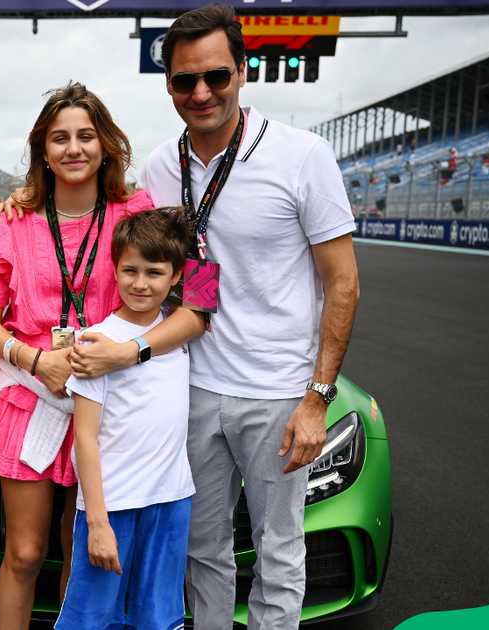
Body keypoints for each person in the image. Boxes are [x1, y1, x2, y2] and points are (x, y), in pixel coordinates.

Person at [141, 6, 359, 629]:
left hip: (278, 393)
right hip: (192, 387)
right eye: (185, 81)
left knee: (280, 552)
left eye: (215, 76)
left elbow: (343, 283)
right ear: (169, 86)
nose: (201, 93)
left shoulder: (302, 155)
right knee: (201, 549)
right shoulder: (161, 166)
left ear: (242, 70)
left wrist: (317, 397)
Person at [0, 83, 203, 630]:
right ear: (42, 149)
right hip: (32, 397)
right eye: (59, 138)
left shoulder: (140, 210)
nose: (73, 148)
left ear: (106, 145)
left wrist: (129, 351)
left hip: (111, 406)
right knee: (25, 553)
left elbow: (202, 299)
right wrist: (35, 359)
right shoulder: (10, 222)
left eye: (86, 136)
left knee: (80, 555)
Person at [59, 210, 204, 630]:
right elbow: (83, 439)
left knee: (159, 618)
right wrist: (99, 522)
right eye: (130, 271)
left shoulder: (182, 329)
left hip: (170, 499)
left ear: (177, 275)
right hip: (114, 505)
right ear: (116, 269)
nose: (141, 283)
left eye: (155, 273)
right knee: (92, 619)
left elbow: (202, 311)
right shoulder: (97, 341)